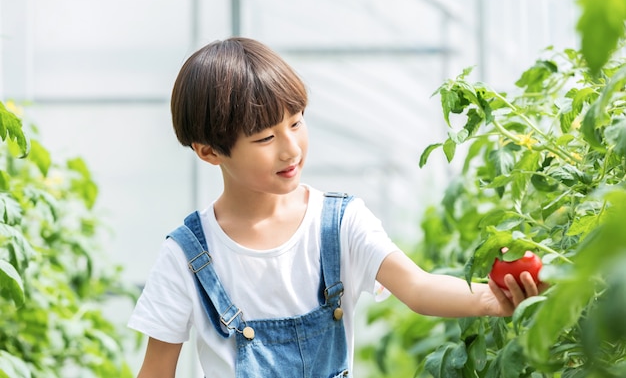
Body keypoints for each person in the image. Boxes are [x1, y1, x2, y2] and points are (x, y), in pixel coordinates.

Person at [127, 37, 540, 378]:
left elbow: (417, 287)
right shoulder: (187, 256)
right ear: (209, 152)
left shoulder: (338, 223)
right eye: (265, 138)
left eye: (296, 122)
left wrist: (491, 299)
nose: (291, 148)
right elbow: (156, 371)